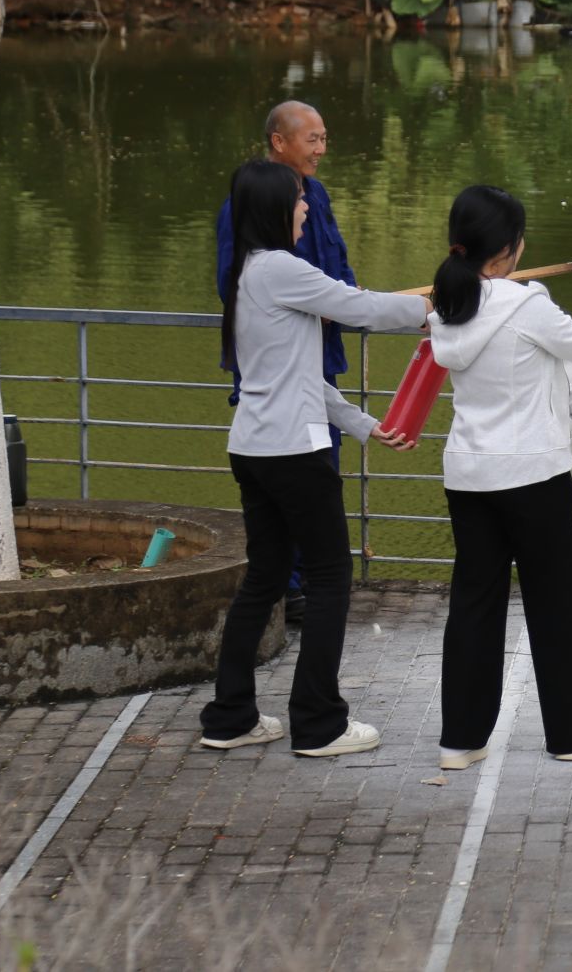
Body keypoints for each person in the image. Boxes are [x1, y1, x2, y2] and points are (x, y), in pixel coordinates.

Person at [199, 158, 427, 758]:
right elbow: (362, 307)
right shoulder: (281, 269)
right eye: (299, 199)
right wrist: (442, 304)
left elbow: (297, 377)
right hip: (293, 454)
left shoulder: (248, 273)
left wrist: (364, 425)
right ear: (274, 208)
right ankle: (320, 724)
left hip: (254, 448)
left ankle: (230, 717)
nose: (306, 207)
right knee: (329, 580)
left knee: (264, 579)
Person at [426, 184, 572, 769]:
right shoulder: (527, 304)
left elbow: (539, 367)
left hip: (470, 476)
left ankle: (460, 742)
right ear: (510, 247)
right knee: (555, 605)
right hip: (533, 476)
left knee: (474, 605)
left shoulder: (448, 307)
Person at [217, 100, 355, 625]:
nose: (321, 149)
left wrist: (344, 303)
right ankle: (290, 588)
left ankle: (313, 581)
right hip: (274, 370)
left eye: (324, 138)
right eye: (312, 139)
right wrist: (311, 307)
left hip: (321, 359)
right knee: (287, 479)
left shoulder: (316, 195)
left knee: (323, 470)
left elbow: (340, 270)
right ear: (279, 141)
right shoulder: (243, 206)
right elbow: (234, 286)